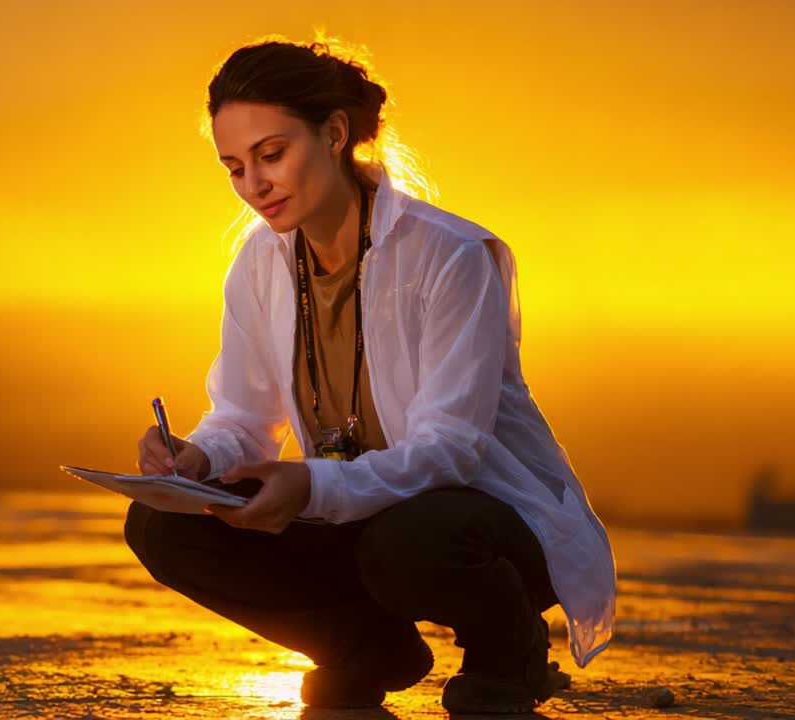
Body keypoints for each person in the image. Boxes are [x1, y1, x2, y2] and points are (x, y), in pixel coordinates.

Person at [126, 37, 616, 714]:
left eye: (272, 155)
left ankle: (510, 651)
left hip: (477, 525)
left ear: (333, 134)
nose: (253, 186)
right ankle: (363, 647)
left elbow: (451, 450)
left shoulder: (450, 255)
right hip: (353, 515)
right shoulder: (257, 266)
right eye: (234, 166)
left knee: (405, 541)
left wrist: (311, 485)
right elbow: (243, 416)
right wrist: (197, 457)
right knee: (160, 524)